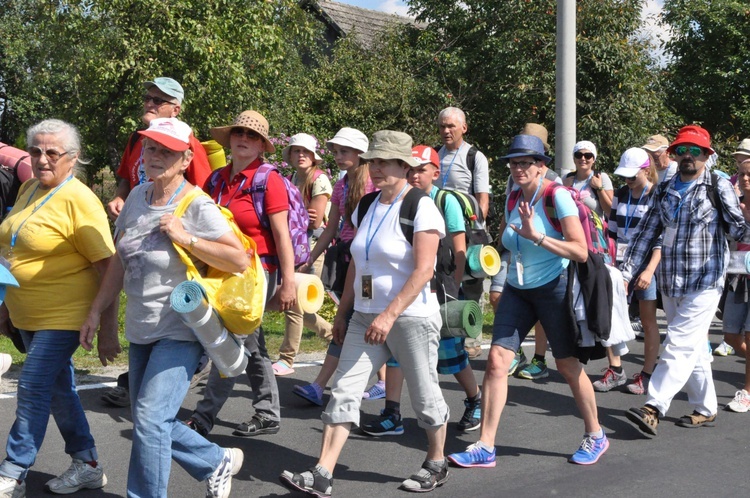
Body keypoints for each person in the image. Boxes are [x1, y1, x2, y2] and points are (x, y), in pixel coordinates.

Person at [80, 117, 247, 497]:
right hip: (141, 328)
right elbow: (120, 262)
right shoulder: (137, 197)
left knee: (152, 420)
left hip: (181, 329)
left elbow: (238, 259)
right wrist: (96, 311)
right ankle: (214, 461)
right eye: (150, 148)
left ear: (186, 158)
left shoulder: (196, 204)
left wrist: (185, 237)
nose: (154, 156)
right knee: (147, 420)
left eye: (166, 151)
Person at [280, 130, 450, 495]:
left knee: (423, 395)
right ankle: (322, 472)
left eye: (385, 162)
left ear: (405, 166)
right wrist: (343, 313)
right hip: (364, 316)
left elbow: (424, 270)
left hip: (411, 318)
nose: (376, 168)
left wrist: (388, 315)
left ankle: (436, 461)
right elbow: (358, 262)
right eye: (373, 161)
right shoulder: (366, 205)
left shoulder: (422, 206)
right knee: (344, 390)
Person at [448, 134, 610, 468]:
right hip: (518, 290)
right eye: (513, 162)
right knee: (496, 361)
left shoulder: (557, 196)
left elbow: (579, 250)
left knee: (567, 366)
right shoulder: (513, 197)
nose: (518, 168)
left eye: (525, 162)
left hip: (554, 287)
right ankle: (485, 446)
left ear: (541, 166)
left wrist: (537, 235)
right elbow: (512, 243)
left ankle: (596, 434)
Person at [0, 119, 118, 496]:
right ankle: (88, 463)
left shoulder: (80, 200)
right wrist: (4, 307)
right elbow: (14, 246)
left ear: (73, 158)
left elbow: (110, 268)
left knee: (32, 385)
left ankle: (13, 471)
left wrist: (108, 331)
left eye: (53, 152)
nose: (42, 159)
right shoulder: (30, 188)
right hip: (26, 313)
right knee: (57, 391)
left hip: (65, 314)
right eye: (35, 151)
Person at [623, 125, 750, 436]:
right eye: (683, 150)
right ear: (674, 154)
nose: (688, 156)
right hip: (671, 281)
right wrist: (625, 272)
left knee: (677, 342)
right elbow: (647, 232)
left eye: (696, 151)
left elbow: (736, 229)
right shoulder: (664, 188)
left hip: (706, 281)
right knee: (691, 348)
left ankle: (653, 405)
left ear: (707, 155)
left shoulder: (717, 185)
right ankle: (706, 409)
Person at [101, 76, 213, 408]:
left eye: (158, 100)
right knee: (134, 294)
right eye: (148, 97)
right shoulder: (138, 139)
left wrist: (183, 230)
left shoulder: (189, 144)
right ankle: (137, 382)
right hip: (136, 223)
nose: (149, 103)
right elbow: (127, 177)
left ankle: (197, 356)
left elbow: (204, 193)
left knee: (151, 417)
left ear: (176, 109)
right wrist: (120, 199)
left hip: (172, 242)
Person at [361, 145, 482, 436]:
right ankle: (391, 413)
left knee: (450, 356)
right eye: (411, 169)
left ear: (436, 173)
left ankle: (475, 400)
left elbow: (459, 246)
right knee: (394, 355)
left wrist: (453, 290)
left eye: (422, 170)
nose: (415, 175)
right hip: (405, 296)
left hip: (439, 291)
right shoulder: (396, 200)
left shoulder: (444, 200)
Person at [185, 110, 291, 438]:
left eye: (253, 136)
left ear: (261, 145)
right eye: (239, 133)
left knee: (230, 343)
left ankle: (203, 418)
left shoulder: (268, 180)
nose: (244, 139)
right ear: (229, 138)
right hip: (222, 271)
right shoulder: (215, 180)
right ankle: (268, 412)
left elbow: (282, 234)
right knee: (252, 345)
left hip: (258, 273)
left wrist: (287, 283)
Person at [292, 127, 380, 406]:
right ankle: (385, 381)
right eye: (336, 151)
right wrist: (310, 258)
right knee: (358, 320)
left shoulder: (374, 184)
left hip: (367, 266)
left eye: (344, 151)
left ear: (360, 154)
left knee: (349, 319)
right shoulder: (342, 186)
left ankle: (319, 385)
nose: (338, 157)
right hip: (347, 261)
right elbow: (331, 229)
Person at [592, 148, 661, 394]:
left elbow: (660, 238)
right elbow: (611, 231)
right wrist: (607, 262)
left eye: (632, 176)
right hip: (619, 262)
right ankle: (616, 370)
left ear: (646, 170)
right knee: (611, 314)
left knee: (647, 319)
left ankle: (647, 374)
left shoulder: (657, 194)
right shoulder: (621, 194)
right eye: (625, 177)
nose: (627, 181)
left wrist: (650, 270)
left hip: (646, 266)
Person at [273, 133, 333, 376]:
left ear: (313, 156)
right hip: (295, 245)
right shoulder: (289, 178)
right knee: (303, 309)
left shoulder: (319, 180)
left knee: (295, 302)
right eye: (296, 151)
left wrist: (291, 213)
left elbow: (315, 218)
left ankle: (287, 359)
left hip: (313, 247)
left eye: (305, 152)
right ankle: (334, 337)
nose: (301, 155)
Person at [436, 107, 490, 358]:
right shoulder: (435, 155)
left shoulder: (475, 156)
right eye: (442, 126)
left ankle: (473, 339)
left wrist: (477, 233)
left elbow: (482, 199)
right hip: (441, 231)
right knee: (445, 283)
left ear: (464, 128)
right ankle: (448, 336)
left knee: (471, 286)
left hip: (468, 231)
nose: (446, 131)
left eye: (451, 126)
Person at [714, 155, 750, 413]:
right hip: (736, 275)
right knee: (730, 336)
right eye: (742, 173)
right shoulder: (735, 207)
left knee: (749, 335)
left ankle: (747, 392)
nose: (745, 178)